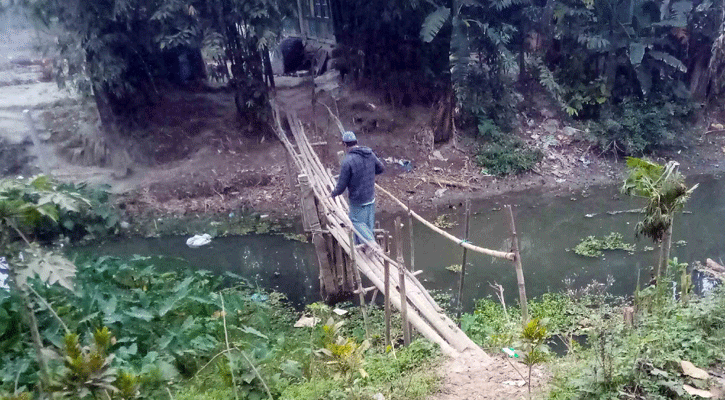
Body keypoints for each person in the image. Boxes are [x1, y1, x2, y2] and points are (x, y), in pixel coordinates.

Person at [330, 131, 384, 246]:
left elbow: (341, 186)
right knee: (368, 225)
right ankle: (365, 247)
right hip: (370, 197)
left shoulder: (347, 161)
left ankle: (372, 244)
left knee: (356, 222)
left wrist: (333, 194)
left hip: (358, 200)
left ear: (344, 145)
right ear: (356, 142)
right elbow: (381, 168)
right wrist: (368, 174)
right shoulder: (369, 154)